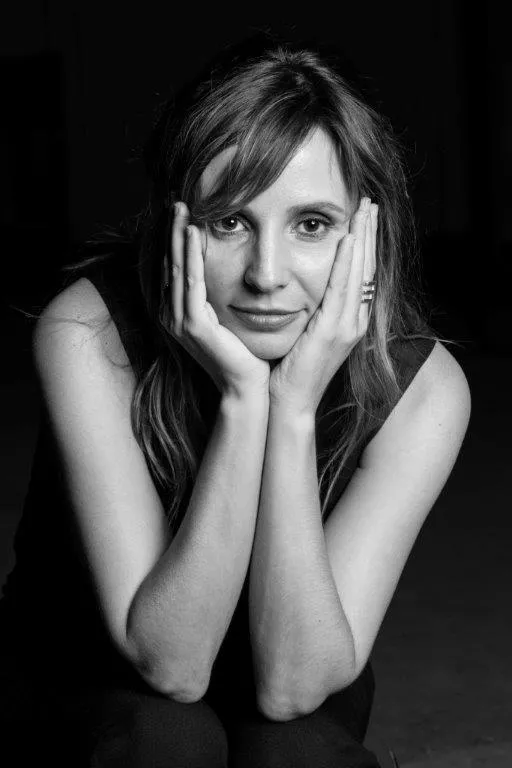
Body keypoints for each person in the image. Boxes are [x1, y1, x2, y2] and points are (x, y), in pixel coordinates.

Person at [0, 33, 471, 767]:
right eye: (230, 222)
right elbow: (172, 667)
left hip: (289, 664)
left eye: (311, 224)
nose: (267, 274)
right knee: (166, 740)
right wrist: (243, 402)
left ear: (366, 237)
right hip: (90, 688)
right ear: (177, 223)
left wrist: (292, 411)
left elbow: (291, 686)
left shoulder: (426, 390)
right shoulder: (88, 334)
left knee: (301, 751)